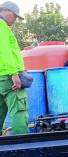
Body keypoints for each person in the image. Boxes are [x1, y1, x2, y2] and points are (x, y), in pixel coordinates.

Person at [0, 1, 29, 135]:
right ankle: (23, 148)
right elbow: (4, 50)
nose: (16, 19)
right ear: (4, 10)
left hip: (2, 79)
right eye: (14, 15)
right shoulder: (2, 26)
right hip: (8, 77)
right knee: (19, 111)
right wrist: (14, 73)